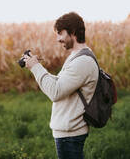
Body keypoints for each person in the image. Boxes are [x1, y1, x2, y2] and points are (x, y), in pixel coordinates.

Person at [23, 12, 98, 159]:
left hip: (70, 134)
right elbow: (61, 83)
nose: (58, 39)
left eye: (60, 33)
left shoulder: (82, 61)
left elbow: (55, 92)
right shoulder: (77, 56)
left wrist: (36, 67)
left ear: (73, 32)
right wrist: (37, 65)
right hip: (68, 132)